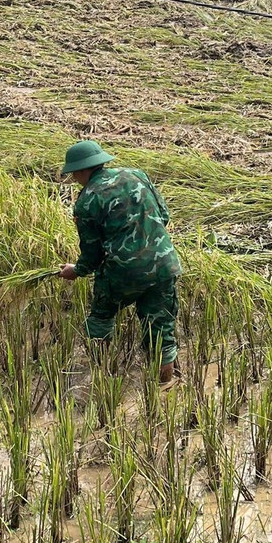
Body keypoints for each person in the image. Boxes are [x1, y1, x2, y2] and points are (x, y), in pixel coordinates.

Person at [58, 140, 182, 384]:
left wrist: (77, 271)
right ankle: (166, 386)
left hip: (123, 272)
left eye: (73, 174)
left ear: (83, 170)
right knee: (161, 329)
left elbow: (92, 256)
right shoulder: (137, 175)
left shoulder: (87, 201)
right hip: (165, 265)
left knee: (101, 318)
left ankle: (104, 380)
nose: (74, 179)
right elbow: (164, 215)